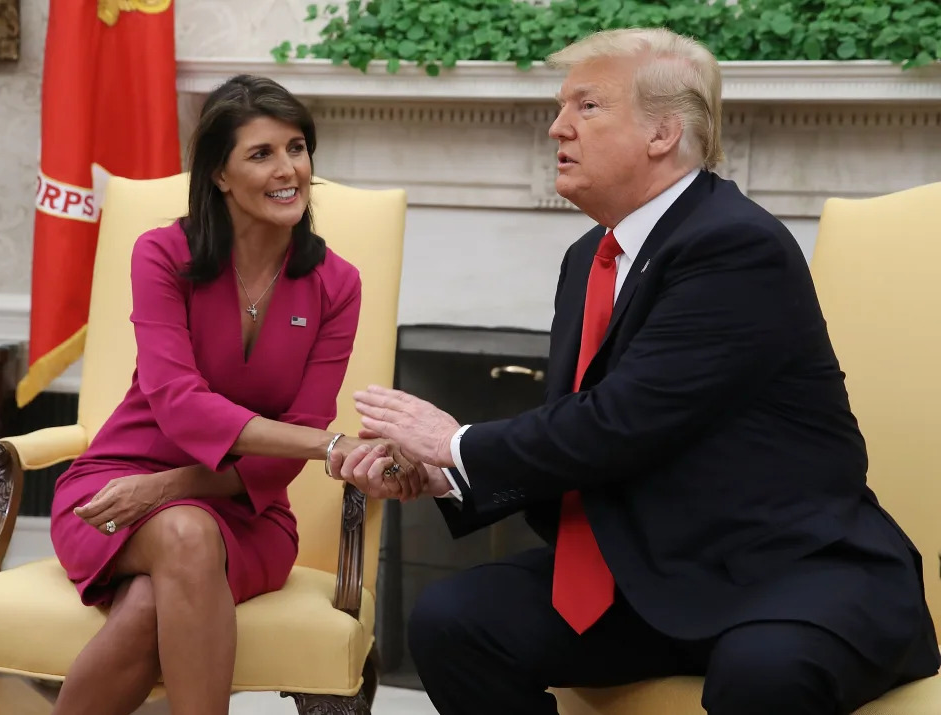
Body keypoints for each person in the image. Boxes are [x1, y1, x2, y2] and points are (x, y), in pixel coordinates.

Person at [333, 28, 941, 715]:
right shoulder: (589, 256)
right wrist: (448, 475)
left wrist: (456, 442)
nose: (557, 127)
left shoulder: (734, 244)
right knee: (455, 619)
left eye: (586, 107)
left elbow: (619, 422)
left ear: (663, 134)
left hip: (789, 570)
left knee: (763, 673)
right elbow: (582, 443)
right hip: (655, 575)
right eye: (561, 107)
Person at [48, 74, 421, 715]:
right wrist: (337, 445)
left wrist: (167, 489)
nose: (290, 171)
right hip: (113, 488)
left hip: (248, 513)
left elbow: (282, 455)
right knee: (181, 547)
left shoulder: (338, 284)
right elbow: (178, 402)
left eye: (297, 148)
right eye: (262, 153)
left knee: (166, 570)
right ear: (218, 174)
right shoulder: (163, 253)